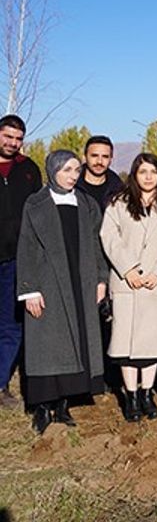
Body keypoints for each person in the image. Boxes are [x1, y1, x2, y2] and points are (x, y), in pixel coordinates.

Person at [17, 151, 109, 433]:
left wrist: (101, 279)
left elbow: (96, 243)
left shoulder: (86, 203)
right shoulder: (36, 203)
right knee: (47, 343)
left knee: (76, 339)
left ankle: (63, 405)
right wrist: (29, 290)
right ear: (53, 170)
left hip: (81, 281)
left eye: (76, 170)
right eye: (67, 170)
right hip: (47, 283)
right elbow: (27, 247)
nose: (73, 176)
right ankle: (42, 407)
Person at [100, 153, 157, 422]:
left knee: (152, 343)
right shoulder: (119, 203)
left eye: (153, 172)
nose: (148, 177)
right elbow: (109, 236)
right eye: (142, 172)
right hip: (127, 282)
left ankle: (147, 394)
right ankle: (131, 397)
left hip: (156, 285)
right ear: (134, 175)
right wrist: (128, 269)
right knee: (126, 345)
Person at [0, 114, 42, 408]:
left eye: (18, 138)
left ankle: (1, 384)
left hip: (15, 259)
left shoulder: (28, 169)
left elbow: (38, 211)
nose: (12, 143)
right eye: (7, 136)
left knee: (11, 324)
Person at [76, 135, 123, 211]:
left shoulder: (118, 191)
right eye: (94, 156)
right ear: (84, 157)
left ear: (111, 159)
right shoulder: (71, 186)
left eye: (105, 156)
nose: (99, 161)